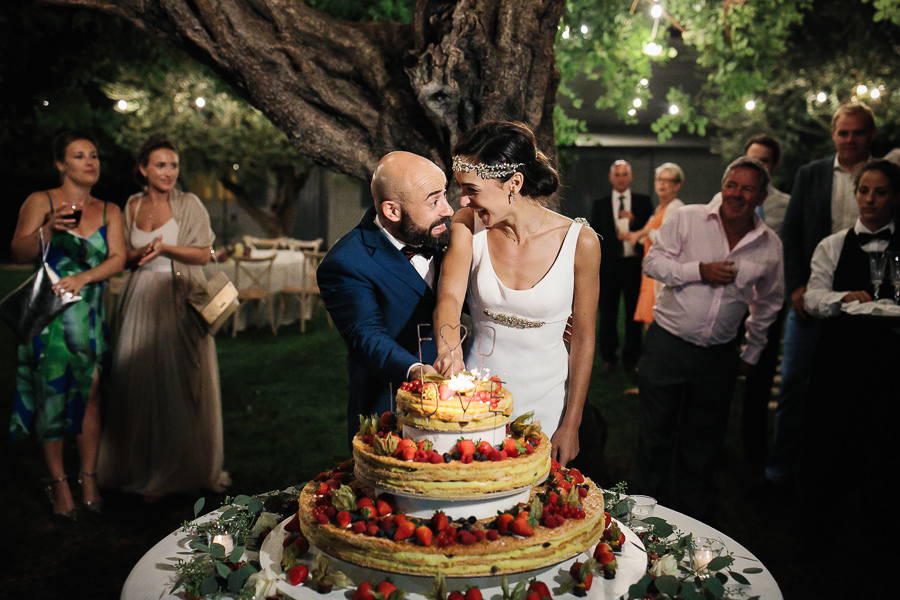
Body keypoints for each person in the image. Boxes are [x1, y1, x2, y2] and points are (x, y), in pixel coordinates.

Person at [433, 121, 601, 467]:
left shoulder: (580, 242)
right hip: (475, 398)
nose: (462, 200)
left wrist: (572, 423)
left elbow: (584, 339)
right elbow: (448, 299)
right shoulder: (467, 225)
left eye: (472, 189)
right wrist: (450, 355)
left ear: (514, 183)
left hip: (547, 401)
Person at [634, 157, 784, 522]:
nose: (737, 194)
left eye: (748, 188)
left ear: (761, 195)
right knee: (656, 434)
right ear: (722, 186)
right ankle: (643, 519)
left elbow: (769, 301)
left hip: (719, 354)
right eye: (732, 185)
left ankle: (693, 523)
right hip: (668, 343)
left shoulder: (768, 244)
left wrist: (753, 349)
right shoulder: (688, 219)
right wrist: (697, 270)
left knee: (704, 440)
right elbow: (652, 263)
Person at [97, 138, 228, 500]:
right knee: (137, 382)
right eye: (160, 165)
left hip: (177, 297)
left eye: (173, 165)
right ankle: (138, 465)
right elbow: (122, 255)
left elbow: (205, 254)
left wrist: (166, 247)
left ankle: (182, 467)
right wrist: (139, 252)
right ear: (143, 169)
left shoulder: (189, 204)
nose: (169, 172)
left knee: (181, 384)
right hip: (139, 298)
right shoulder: (132, 205)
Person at [9, 131, 126, 518]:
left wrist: (84, 278)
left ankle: (88, 476)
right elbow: (19, 250)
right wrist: (47, 230)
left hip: (89, 315)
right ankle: (58, 482)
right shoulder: (40, 201)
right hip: (51, 317)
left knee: (90, 393)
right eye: (79, 156)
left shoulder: (110, 210)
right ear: (62, 163)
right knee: (53, 395)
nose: (90, 162)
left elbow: (117, 258)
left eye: (94, 155)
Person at [767, 102, 876, 492]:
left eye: (858, 132)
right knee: (794, 385)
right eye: (843, 132)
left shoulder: (881, 177)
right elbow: (793, 233)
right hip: (812, 295)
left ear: (871, 136)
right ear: (833, 135)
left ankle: (850, 475)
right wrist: (797, 285)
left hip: (869, 302)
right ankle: (781, 474)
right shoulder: (811, 175)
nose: (850, 140)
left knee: (857, 389)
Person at [317, 151, 454, 445]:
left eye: (444, 195)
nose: (448, 209)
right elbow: (366, 336)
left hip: (460, 405)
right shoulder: (346, 262)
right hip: (390, 411)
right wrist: (414, 371)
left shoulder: (447, 235)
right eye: (434, 201)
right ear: (392, 211)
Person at [801, 159, 900, 520]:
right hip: (839, 360)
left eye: (881, 192)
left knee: (885, 442)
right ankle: (823, 519)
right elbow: (811, 298)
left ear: (895, 198)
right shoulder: (832, 245)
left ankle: (880, 520)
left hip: (890, 362)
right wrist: (841, 298)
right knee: (830, 442)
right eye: (863, 190)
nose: (870, 200)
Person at [735, 135, 791, 479]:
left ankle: (753, 453)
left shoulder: (785, 205)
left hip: (767, 299)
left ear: (774, 166)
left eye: (765, 161)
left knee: (759, 379)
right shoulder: (724, 199)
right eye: (752, 159)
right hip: (730, 302)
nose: (758, 166)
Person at [589, 160, 652, 373]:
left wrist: (634, 222)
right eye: (618, 174)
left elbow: (651, 231)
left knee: (634, 316)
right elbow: (595, 237)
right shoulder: (601, 204)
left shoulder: (644, 202)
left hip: (635, 266)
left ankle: (632, 359)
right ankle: (608, 357)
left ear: (630, 177)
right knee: (607, 314)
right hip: (610, 267)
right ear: (611, 177)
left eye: (625, 174)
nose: (621, 178)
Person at [625, 163, 685, 327]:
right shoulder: (658, 208)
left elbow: (669, 240)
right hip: (651, 271)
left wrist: (644, 233)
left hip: (663, 274)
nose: (662, 184)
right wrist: (637, 236)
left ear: (677, 185)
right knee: (649, 322)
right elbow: (651, 238)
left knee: (659, 323)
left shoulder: (676, 208)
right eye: (659, 179)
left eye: (668, 180)